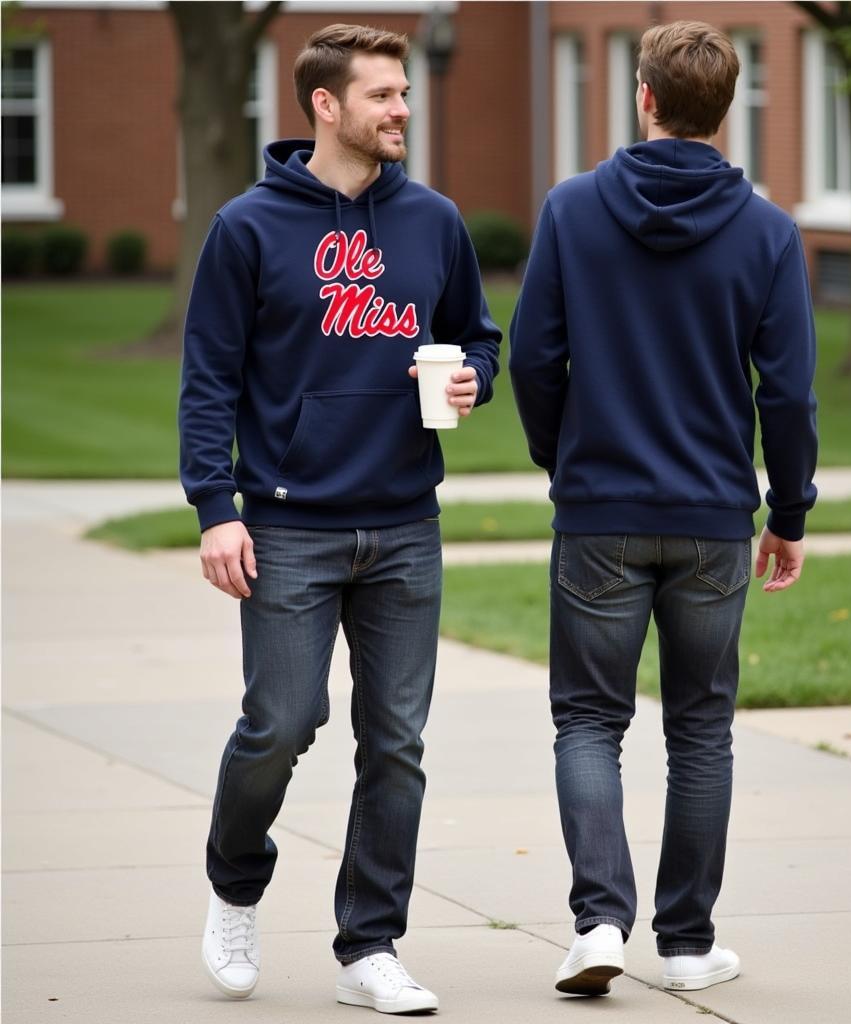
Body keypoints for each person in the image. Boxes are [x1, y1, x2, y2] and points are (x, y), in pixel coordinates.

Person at [178, 23, 500, 1013]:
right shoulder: (248, 227)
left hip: (404, 521)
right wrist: (215, 509)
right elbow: (208, 383)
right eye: (382, 96)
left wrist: (469, 387)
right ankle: (236, 882)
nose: (402, 109)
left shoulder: (434, 221)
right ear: (326, 105)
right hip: (286, 526)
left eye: (403, 93)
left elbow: (479, 342)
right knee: (279, 723)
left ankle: (369, 944)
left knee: (395, 740)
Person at [509, 20, 817, 998]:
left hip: (598, 508)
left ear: (644, 98)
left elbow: (529, 357)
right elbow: (789, 394)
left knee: (588, 722)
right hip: (713, 516)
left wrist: (560, 458)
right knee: (700, 729)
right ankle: (685, 942)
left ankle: (599, 921)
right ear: (724, 109)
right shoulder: (768, 232)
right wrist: (790, 510)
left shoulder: (569, 210)